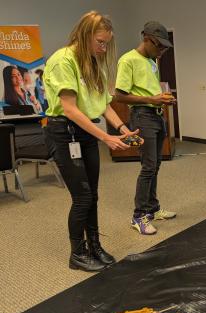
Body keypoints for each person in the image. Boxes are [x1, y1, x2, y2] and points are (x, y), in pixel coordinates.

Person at [44, 11, 141, 272]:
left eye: (107, 43)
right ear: (85, 35)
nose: (104, 47)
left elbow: (102, 103)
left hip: (84, 133)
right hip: (64, 132)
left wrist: (122, 128)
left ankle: (94, 245)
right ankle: (77, 253)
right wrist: (106, 137)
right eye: (100, 42)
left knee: (93, 195)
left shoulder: (92, 61)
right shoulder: (63, 61)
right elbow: (70, 109)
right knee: (83, 197)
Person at [115, 21, 176, 235]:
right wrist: (152, 99)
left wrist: (160, 100)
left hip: (157, 116)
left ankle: (153, 209)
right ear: (146, 39)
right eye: (159, 46)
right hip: (142, 116)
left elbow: (149, 90)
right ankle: (139, 216)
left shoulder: (151, 60)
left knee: (156, 164)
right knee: (148, 167)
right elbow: (119, 95)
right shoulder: (127, 60)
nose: (161, 51)